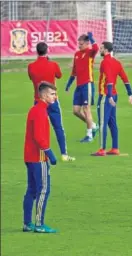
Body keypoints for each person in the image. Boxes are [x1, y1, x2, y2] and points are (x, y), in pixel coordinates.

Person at [27, 42, 74, 161]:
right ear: (47, 50)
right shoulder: (53, 64)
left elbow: (31, 77)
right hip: (52, 100)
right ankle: (64, 154)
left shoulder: (31, 66)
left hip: (38, 101)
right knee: (58, 127)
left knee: (38, 130)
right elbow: (59, 75)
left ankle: (40, 153)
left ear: (36, 51)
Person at [23, 82, 59, 233]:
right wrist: (50, 154)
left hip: (29, 157)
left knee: (31, 190)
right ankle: (39, 224)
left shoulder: (36, 109)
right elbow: (39, 136)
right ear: (44, 95)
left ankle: (27, 223)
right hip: (38, 158)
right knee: (43, 189)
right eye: (52, 94)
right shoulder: (40, 112)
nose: (55, 97)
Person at [91, 41, 132, 156]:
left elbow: (109, 80)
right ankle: (115, 148)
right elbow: (125, 78)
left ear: (106, 50)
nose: (100, 50)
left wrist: (109, 95)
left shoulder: (105, 62)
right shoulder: (116, 62)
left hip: (106, 96)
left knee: (102, 123)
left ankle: (102, 149)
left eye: (101, 48)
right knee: (112, 122)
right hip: (113, 96)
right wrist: (130, 93)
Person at [65, 32, 99, 143]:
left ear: (87, 43)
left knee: (86, 109)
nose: (79, 46)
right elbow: (74, 71)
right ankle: (93, 125)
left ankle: (89, 135)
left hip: (87, 84)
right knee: (75, 111)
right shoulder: (76, 54)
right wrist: (69, 84)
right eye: (78, 44)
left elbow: (96, 48)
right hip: (79, 86)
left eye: (81, 44)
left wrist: (92, 38)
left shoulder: (90, 53)